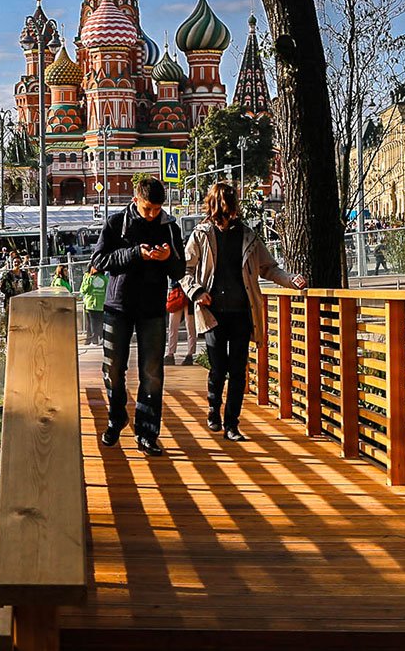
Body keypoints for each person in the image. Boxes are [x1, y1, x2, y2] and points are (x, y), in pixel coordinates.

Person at [182, 180, 305, 442]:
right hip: (212, 312)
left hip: (241, 312)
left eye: (230, 209)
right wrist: (196, 292)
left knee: (238, 370)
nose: (228, 216)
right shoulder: (202, 235)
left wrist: (291, 280)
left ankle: (232, 425)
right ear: (215, 209)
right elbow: (185, 270)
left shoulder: (247, 236)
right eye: (223, 210)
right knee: (218, 368)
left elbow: (269, 268)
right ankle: (214, 408)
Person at [91, 175, 185, 456]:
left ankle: (147, 433)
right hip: (118, 307)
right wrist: (135, 254)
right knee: (112, 369)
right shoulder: (116, 223)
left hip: (152, 309)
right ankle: (117, 414)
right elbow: (98, 261)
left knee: (152, 373)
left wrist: (167, 257)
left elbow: (179, 272)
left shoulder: (170, 227)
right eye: (148, 209)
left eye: (157, 209)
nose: (153, 214)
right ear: (136, 201)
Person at [78, 265, 107, 347]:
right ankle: (100, 339)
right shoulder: (105, 278)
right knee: (99, 323)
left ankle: (95, 340)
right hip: (100, 304)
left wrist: (88, 279)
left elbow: (83, 290)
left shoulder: (90, 278)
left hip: (91, 304)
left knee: (93, 323)